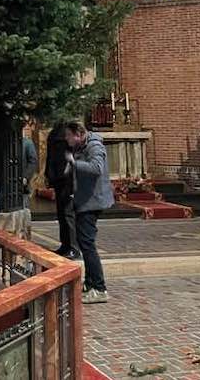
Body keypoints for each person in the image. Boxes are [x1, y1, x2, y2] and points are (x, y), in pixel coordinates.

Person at [64, 120, 114, 304]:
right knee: (84, 243)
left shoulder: (94, 146)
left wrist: (74, 163)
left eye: (69, 135)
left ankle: (99, 288)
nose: (67, 139)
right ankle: (90, 283)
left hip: (92, 202)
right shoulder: (81, 146)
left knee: (87, 244)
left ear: (79, 134)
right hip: (83, 199)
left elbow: (97, 168)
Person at [45, 121, 80, 260]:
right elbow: (50, 156)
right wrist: (49, 173)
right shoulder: (54, 133)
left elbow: (72, 158)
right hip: (58, 177)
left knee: (68, 214)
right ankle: (65, 244)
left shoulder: (66, 134)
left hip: (67, 179)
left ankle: (73, 247)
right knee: (61, 214)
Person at [22, 125, 38, 210]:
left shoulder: (27, 143)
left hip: (23, 183)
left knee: (24, 207)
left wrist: (26, 176)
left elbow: (33, 161)